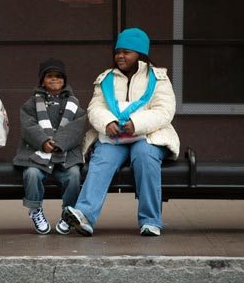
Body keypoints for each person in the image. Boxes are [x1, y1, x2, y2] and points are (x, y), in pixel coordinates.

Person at [62, 28, 180, 237]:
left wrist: (136, 123)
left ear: (139, 54)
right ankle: (85, 216)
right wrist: (107, 122)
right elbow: (95, 108)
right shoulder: (106, 78)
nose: (120, 56)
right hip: (114, 137)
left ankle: (150, 221)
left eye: (126, 52)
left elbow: (165, 110)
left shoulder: (158, 78)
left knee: (145, 157)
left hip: (148, 136)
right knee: (101, 161)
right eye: (118, 52)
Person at [13, 58, 86, 234]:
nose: (54, 80)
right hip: (37, 154)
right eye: (50, 76)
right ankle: (35, 209)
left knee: (74, 175)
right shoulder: (31, 103)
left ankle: (69, 213)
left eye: (59, 76)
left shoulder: (74, 104)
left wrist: (59, 144)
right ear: (42, 80)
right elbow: (28, 125)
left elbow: (77, 127)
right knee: (31, 174)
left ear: (65, 80)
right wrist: (43, 142)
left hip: (65, 154)